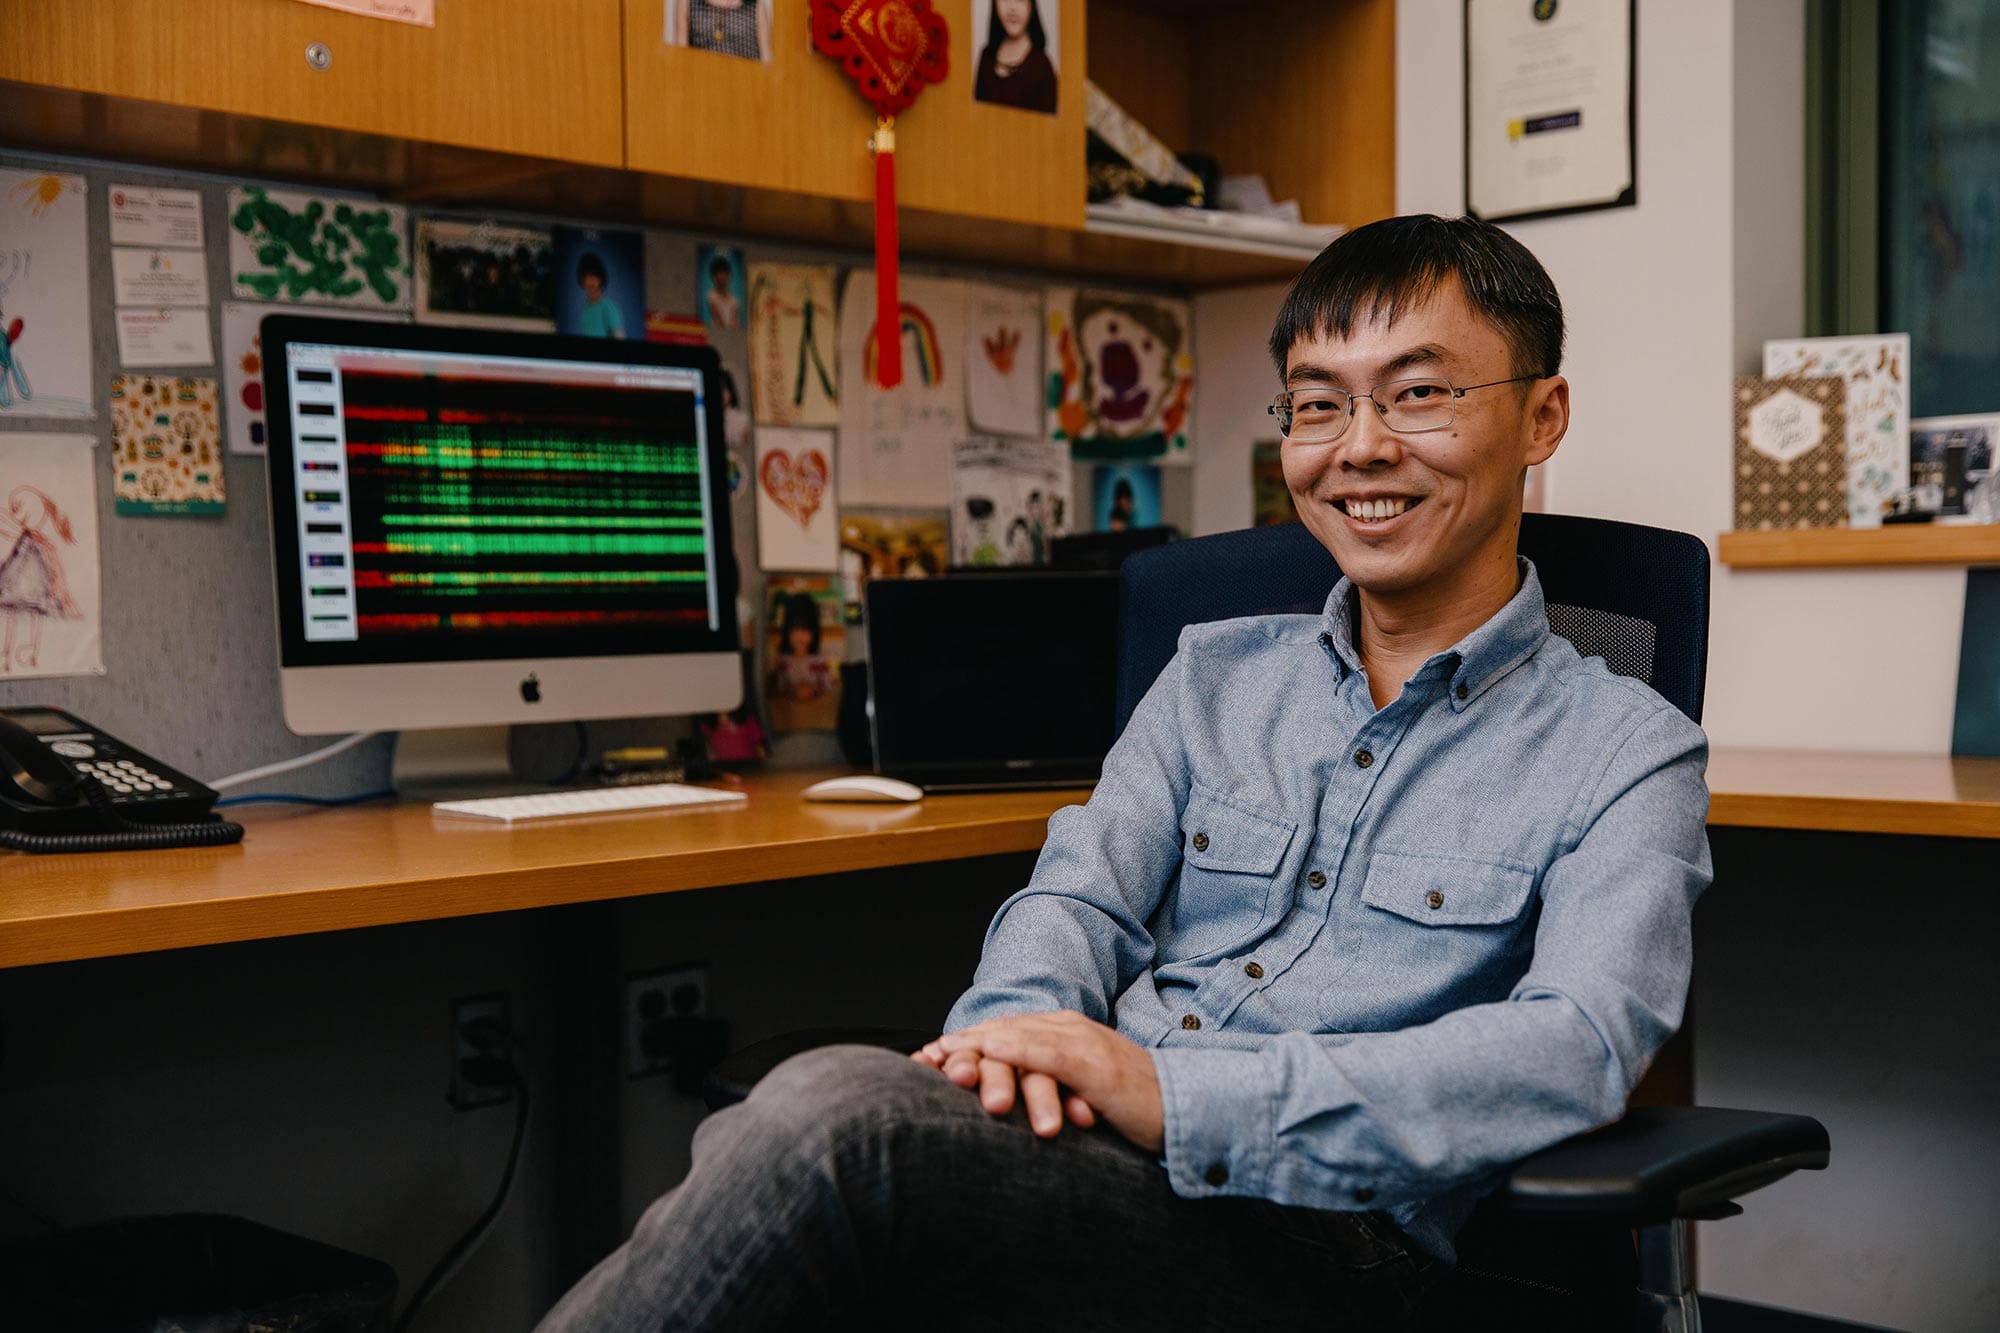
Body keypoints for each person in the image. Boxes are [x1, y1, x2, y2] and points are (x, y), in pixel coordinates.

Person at [536, 215, 1711, 1331]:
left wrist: (1174, 1098)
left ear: (1541, 414)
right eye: (1318, 404)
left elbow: (1577, 1045)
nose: (1359, 447)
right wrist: (1009, 1050)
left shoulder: (1625, 745)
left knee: (831, 1129)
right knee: (830, 1152)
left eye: (1417, 394)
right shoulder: (1211, 673)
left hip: (1338, 1243)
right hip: (1093, 1170)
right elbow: (1076, 894)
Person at [974, 0, 1057, 114]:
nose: (1012, 8)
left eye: (1020, 0)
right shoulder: (986, 56)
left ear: (1031, 7)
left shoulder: (1042, 66)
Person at [573, 253, 625, 340]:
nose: (591, 281)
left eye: (594, 276)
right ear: (582, 280)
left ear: (601, 279)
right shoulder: (585, 308)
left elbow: (620, 337)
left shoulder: (609, 308)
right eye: (587, 277)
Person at [704, 254, 741, 330]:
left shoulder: (734, 299)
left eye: (726, 273)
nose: (724, 276)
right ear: (714, 276)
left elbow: (736, 321)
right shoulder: (711, 296)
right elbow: (719, 321)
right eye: (721, 273)